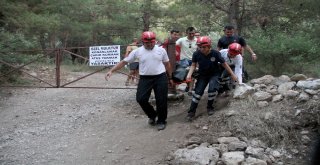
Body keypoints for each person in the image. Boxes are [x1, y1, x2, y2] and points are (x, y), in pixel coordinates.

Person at [105, 31, 173, 130]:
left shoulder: (161, 50)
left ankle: (162, 120)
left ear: (154, 41)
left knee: (161, 100)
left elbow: (167, 64)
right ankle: (152, 115)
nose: (149, 44)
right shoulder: (137, 51)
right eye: (147, 42)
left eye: (151, 42)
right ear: (143, 41)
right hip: (145, 78)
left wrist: (170, 77)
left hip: (160, 77)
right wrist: (112, 70)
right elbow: (124, 61)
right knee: (141, 99)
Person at [185, 36, 238, 121]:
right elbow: (193, 65)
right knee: (198, 93)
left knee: (212, 89)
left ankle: (210, 107)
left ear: (209, 46)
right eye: (200, 47)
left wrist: (232, 74)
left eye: (204, 47)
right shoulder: (196, 54)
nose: (202, 49)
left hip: (214, 74)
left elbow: (224, 64)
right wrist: (189, 75)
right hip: (202, 75)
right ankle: (191, 112)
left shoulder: (215, 53)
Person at [176, 27, 198, 95]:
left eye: (193, 33)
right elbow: (173, 45)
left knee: (193, 74)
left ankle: (190, 90)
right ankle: (188, 86)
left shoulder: (197, 40)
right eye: (190, 33)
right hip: (184, 60)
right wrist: (175, 52)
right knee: (186, 74)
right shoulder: (181, 40)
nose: (191, 35)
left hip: (194, 60)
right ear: (186, 33)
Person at [162, 29, 180, 95]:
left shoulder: (177, 42)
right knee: (169, 75)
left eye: (177, 35)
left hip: (176, 62)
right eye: (174, 34)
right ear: (171, 34)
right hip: (169, 62)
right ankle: (168, 90)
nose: (176, 36)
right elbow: (164, 52)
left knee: (174, 75)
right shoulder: (167, 42)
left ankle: (174, 89)